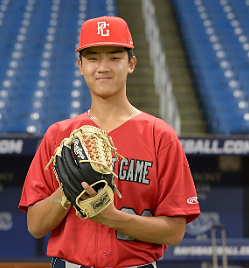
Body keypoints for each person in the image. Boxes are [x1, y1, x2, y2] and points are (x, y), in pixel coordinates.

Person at [19, 16, 200, 268]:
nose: (103, 67)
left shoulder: (159, 135)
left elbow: (174, 231)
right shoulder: (59, 135)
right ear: (80, 65)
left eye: (114, 57)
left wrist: (111, 217)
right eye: (93, 58)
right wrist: (69, 188)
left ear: (131, 63)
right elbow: (36, 227)